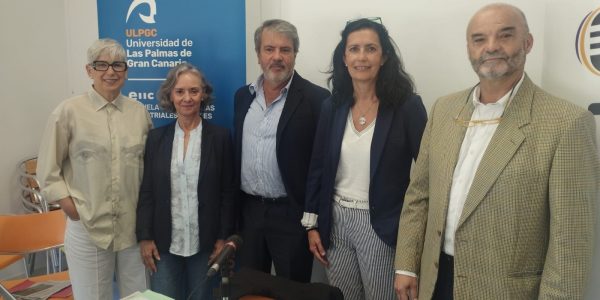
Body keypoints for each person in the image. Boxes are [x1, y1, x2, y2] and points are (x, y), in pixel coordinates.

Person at [394, 3, 599, 300]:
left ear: (527, 43)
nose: (491, 47)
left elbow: (571, 243)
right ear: (469, 48)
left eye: (505, 36)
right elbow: (419, 195)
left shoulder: (566, 123)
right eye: (479, 39)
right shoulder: (444, 109)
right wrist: (406, 266)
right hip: (434, 280)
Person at [301, 18, 427, 300]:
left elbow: (427, 176)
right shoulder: (332, 106)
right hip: (335, 221)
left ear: (383, 57)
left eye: (370, 48)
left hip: (382, 225)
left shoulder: (407, 107)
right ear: (344, 57)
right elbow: (318, 167)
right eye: (354, 49)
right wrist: (312, 225)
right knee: (342, 296)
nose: (361, 56)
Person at [37, 38, 151, 299]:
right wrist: (69, 206)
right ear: (89, 70)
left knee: (139, 296)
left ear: (126, 70)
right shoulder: (67, 112)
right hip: (87, 226)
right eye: (101, 65)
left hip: (133, 229)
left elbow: (149, 167)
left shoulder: (139, 114)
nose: (110, 72)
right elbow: (48, 169)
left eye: (117, 65)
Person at [234, 19, 331, 282]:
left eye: (285, 50)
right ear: (258, 54)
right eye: (269, 49)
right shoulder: (243, 97)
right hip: (249, 213)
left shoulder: (317, 100)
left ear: (295, 55)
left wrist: (313, 220)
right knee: (250, 288)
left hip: (292, 216)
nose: (277, 57)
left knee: (292, 289)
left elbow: (321, 167)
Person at [136, 62, 235, 299]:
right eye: (180, 91)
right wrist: (145, 237)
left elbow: (228, 193)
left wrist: (223, 238)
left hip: (205, 244)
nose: (187, 98)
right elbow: (147, 191)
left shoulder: (220, 138)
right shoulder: (156, 139)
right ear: (171, 95)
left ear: (203, 95)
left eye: (194, 91)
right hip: (164, 245)